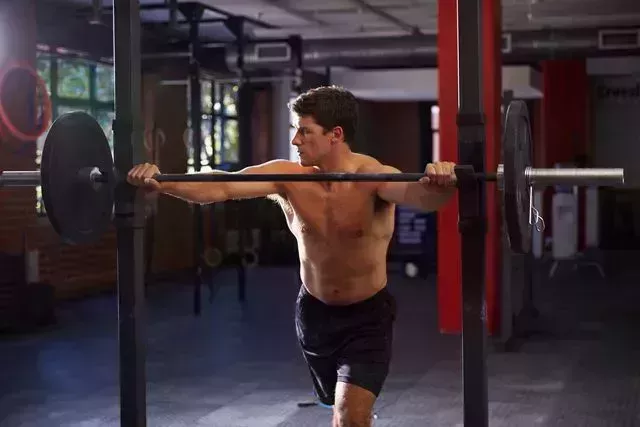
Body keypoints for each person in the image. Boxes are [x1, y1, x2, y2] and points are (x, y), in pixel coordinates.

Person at [127, 86, 457, 427]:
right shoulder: (289, 179)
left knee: (350, 416)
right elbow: (222, 185)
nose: (296, 140)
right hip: (314, 316)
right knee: (337, 406)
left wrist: (440, 184)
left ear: (335, 135)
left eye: (304, 130)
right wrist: (161, 182)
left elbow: (422, 198)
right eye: (295, 130)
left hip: (368, 317)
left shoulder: (373, 179)